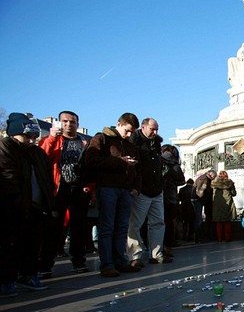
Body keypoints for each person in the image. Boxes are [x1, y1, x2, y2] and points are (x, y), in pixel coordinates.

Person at [0, 113, 53, 297]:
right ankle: (6, 280)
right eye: (27, 137)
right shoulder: (6, 148)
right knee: (11, 245)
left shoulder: (37, 153)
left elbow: (46, 176)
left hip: (36, 206)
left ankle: (28, 275)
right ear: (14, 134)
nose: (31, 141)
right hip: (14, 206)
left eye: (33, 137)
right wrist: (15, 203)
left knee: (33, 244)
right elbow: (8, 178)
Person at [85, 113, 141, 278]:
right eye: (127, 130)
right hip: (108, 187)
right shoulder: (102, 138)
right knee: (107, 227)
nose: (129, 135)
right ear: (119, 124)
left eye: (132, 132)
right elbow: (91, 159)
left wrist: (136, 187)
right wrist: (121, 161)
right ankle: (107, 264)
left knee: (122, 227)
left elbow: (138, 170)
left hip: (125, 190)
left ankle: (120, 261)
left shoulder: (130, 145)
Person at [38, 111, 91, 277]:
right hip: (58, 189)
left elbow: (90, 167)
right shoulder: (52, 140)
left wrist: (90, 186)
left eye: (72, 122)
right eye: (65, 121)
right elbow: (43, 157)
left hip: (79, 188)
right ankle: (46, 264)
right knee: (53, 227)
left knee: (79, 228)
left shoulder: (84, 143)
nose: (69, 124)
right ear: (59, 123)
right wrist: (52, 137)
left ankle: (79, 261)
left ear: (77, 124)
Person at [127, 118, 171, 268]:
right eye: (152, 129)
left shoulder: (156, 143)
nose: (155, 132)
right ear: (143, 127)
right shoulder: (134, 140)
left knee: (158, 223)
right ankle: (134, 255)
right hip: (142, 189)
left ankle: (156, 254)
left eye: (157, 129)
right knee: (135, 224)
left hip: (157, 189)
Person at [161, 145, 185, 255]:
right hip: (171, 197)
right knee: (169, 222)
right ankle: (168, 245)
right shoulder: (175, 164)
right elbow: (181, 180)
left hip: (158, 195)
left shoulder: (158, 159)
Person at [211, 170, 237, 242]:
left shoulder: (214, 184)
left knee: (219, 222)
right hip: (227, 204)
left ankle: (219, 238)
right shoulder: (229, 183)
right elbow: (234, 193)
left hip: (217, 205)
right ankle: (227, 238)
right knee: (227, 222)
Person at [192, 169, 215, 243]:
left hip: (198, 200)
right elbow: (200, 191)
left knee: (198, 218)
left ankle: (198, 237)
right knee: (198, 219)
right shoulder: (204, 180)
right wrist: (203, 200)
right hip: (198, 200)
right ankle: (199, 237)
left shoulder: (204, 178)